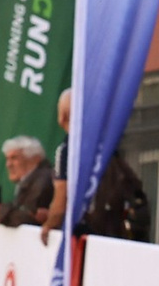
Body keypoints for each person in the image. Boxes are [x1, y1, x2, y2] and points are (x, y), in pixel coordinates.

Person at [42, 88, 151, 243]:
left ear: (63, 117)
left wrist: (48, 226)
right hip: (115, 237)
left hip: (85, 238)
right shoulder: (109, 148)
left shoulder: (67, 150)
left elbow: (61, 198)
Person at [0, 137, 55, 227]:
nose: (8, 164)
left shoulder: (43, 181)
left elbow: (28, 218)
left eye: (14, 158)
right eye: (7, 159)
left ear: (35, 159)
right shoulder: (35, 179)